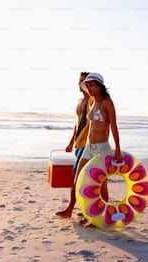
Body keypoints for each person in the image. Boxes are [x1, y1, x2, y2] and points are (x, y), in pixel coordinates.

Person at [58, 72, 123, 227]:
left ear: (100, 85)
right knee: (79, 180)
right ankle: (89, 213)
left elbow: (113, 125)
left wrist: (118, 149)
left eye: (91, 85)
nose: (90, 88)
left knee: (101, 184)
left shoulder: (107, 102)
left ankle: (99, 216)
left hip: (101, 148)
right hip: (88, 147)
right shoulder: (93, 103)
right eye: (87, 86)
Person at [55, 72, 93, 219]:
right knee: (81, 178)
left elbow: (94, 123)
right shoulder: (80, 101)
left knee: (78, 177)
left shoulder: (92, 101)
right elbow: (77, 124)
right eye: (79, 81)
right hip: (78, 144)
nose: (80, 84)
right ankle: (85, 209)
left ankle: (70, 209)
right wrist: (71, 142)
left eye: (84, 81)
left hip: (87, 145)